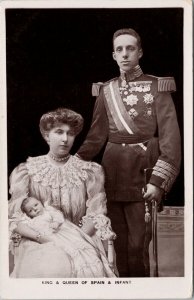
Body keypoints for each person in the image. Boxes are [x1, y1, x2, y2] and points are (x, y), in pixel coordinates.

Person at [77, 28, 181, 277]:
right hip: (111, 175)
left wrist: (158, 181)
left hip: (142, 174)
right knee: (116, 245)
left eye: (130, 48)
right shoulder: (106, 90)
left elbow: (171, 140)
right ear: (114, 55)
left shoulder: (158, 86)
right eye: (120, 50)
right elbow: (95, 138)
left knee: (137, 246)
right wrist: (71, 165)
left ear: (140, 52)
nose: (125, 54)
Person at [8, 108, 116, 278]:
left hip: (81, 239)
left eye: (70, 133)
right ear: (46, 135)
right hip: (38, 240)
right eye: (59, 132)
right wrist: (44, 238)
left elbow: (96, 214)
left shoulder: (90, 171)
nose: (65, 139)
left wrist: (73, 239)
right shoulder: (25, 171)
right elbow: (15, 219)